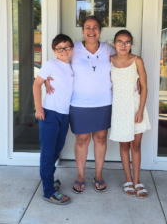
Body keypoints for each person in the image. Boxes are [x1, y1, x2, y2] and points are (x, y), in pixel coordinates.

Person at [46, 16, 117, 193]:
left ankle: (99, 175)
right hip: (79, 103)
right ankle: (80, 176)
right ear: (82, 30)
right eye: (87, 27)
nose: (91, 30)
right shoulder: (74, 49)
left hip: (103, 102)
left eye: (95, 27)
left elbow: (125, 64)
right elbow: (58, 64)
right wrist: (46, 78)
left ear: (100, 30)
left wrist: (137, 79)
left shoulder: (110, 49)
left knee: (100, 139)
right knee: (82, 140)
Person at [33, 34, 74, 205]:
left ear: (72, 48)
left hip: (65, 115)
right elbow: (36, 84)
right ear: (54, 50)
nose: (64, 51)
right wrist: (39, 108)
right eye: (60, 48)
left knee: (56, 151)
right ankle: (49, 191)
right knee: (48, 153)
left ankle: (48, 180)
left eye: (67, 47)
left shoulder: (71, 67)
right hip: (50, 113)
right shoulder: (51, 64)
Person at [110, 30, 151, 199]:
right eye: (120, 42)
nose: (123, 45)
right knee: (124, 145)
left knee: (136, 145)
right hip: (118, 108)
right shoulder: (109, 61)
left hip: (135, 107)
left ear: (131, 44)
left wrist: (141, 110)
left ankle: (137, 180)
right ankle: (128, 180)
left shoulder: (137, 61)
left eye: (127, 42)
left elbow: (144, 86)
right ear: (114, 43)